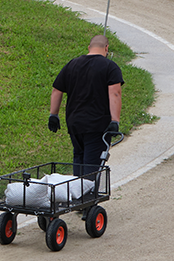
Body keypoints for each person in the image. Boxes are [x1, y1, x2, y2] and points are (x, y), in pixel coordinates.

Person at [49, 33, 125, 178]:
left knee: (79, 158)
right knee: (92, 165)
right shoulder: (110, 67)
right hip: (97, 125)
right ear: (106, 48)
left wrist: (54, 115)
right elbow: (115, 93)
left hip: (74, 124)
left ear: (89, 47)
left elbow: (56, 90)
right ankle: (88, 197)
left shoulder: (72, 64)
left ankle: (78, 195)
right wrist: (115, 120)